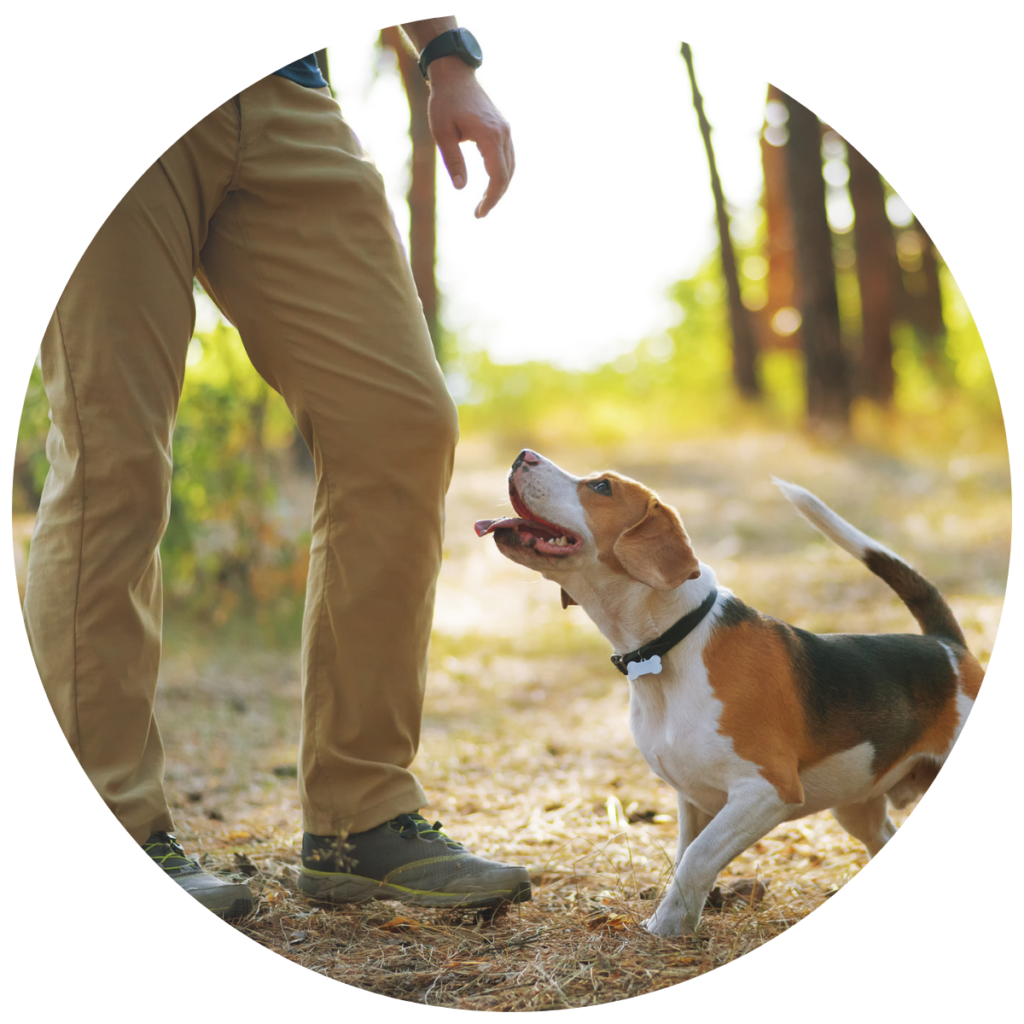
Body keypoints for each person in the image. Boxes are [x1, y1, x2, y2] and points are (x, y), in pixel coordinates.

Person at [24, 19, 529, 920]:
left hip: (289, 95)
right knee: (115, 456)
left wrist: (449, 55)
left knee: (401, 425)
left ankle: (360, 819)